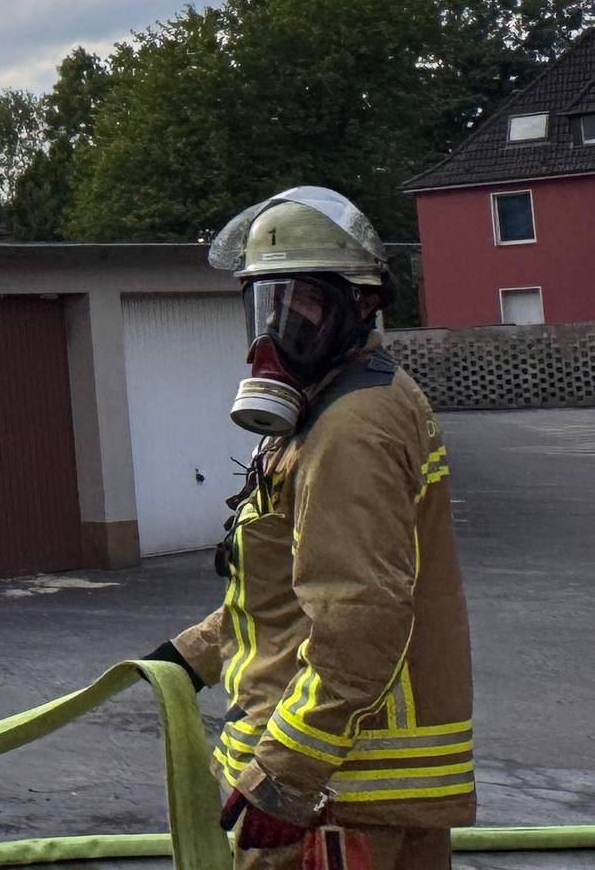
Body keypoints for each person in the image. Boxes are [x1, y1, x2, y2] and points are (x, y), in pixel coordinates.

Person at [139, 188, 472, 870]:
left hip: (337, 796)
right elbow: (291, 592)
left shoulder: (350, 428)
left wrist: (287, 776)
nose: (274, 336)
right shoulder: (333, 410)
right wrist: (194, 654)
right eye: (265, 307)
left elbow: (358, 619)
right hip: (357, 790)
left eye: (303, 307)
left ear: (364, 306)